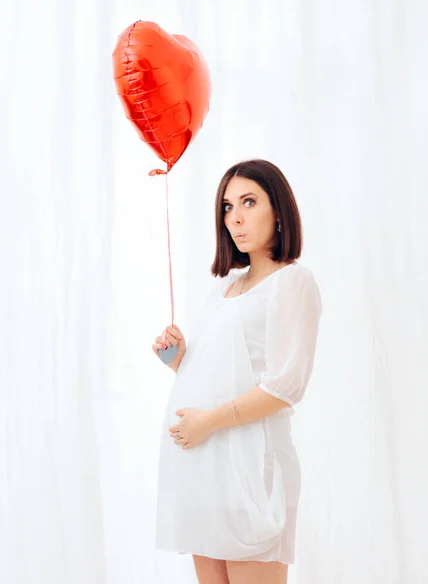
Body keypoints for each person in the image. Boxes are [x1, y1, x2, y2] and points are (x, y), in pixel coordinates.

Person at [152, 159, 323, 584]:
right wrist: (180, 363)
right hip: (203, 468)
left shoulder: (292, 283)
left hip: (252, 467)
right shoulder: (225, 286)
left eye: (249, 202)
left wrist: (208, 421)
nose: (236, 218)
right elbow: (223, 372)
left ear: (278, 210)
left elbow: (284, 387)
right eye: (227, 207)